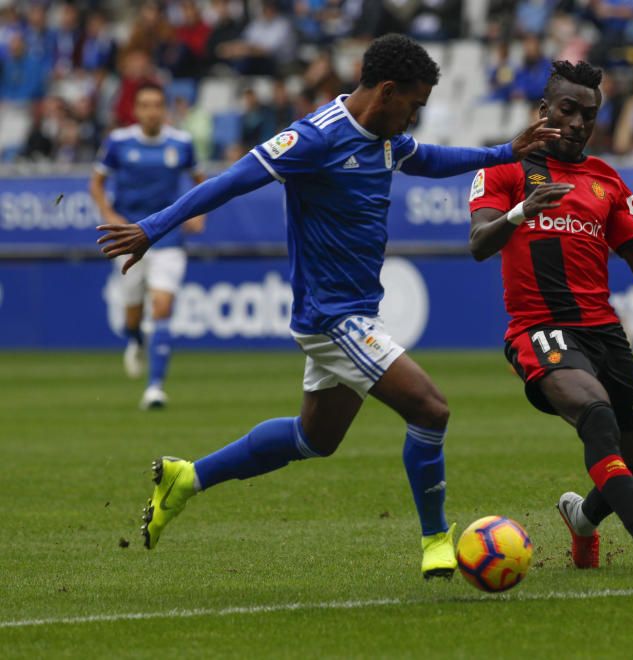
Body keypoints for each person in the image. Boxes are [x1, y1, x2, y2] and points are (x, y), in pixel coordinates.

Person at [96, 34, 558, 579]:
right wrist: (152, 227)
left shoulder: (385, 135)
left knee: (313, 439)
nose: (415, 118)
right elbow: (228, 183)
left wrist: (505, 152)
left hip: (355, 311)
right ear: (387, 92)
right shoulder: (314, 138)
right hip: (333, 317)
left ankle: (187, 478)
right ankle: (436, 538)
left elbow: (428, 158)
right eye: (414, 105)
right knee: (431, 409)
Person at [467, 60, 633, 588]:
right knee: (595, 413)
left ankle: (583, 519)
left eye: (589, 114)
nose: (578, 123)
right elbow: (479, 243)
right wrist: (521, 212)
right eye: (568, 110)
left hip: (604, 333)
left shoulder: (606, 179)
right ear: (544, 110)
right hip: (540, 328)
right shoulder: (506, 169)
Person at [90, 82, 206, 410]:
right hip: (128, 236)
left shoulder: (181, 143)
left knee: (162, 307)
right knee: (132, 317)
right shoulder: (118, 142)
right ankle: (136, 341)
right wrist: (109, 213)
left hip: (168, 236)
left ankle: (155, 388)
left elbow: (201, 180)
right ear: (136, 110)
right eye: (146, 105)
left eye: (157, 104)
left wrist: (200, 214)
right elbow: (96, 183)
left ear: (165, 109)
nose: (152, 111)